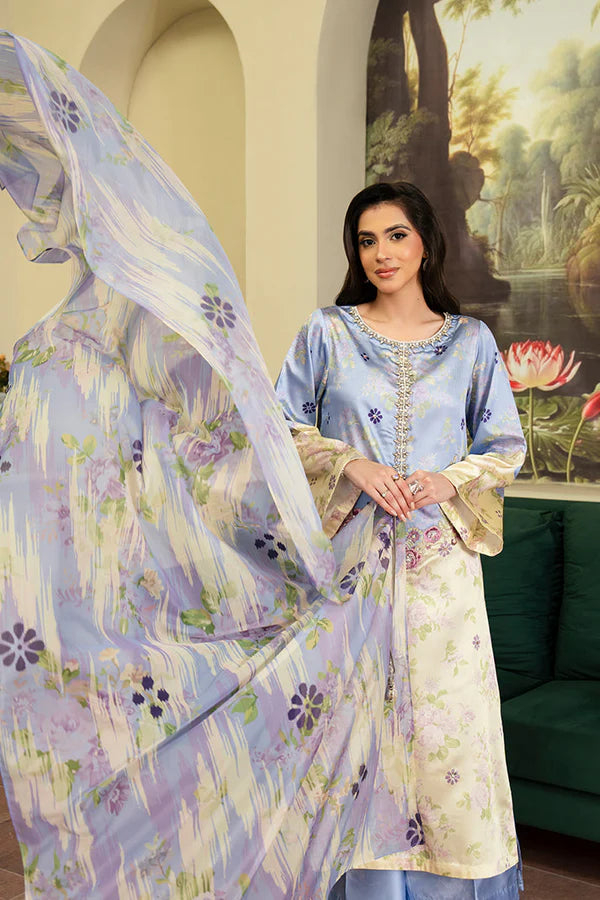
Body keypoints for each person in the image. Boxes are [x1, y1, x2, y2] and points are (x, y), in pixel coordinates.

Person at [275, 181, 527, 899]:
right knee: (355, 728)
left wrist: (448, 480)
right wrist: (350, 464)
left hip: (442, 573)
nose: (381, 253)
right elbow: (278, 425)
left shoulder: (470, 342)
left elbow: (505, 445)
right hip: (349, 566)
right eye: (366, 240)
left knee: (448, 731)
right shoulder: (327, 333)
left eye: (395, 235)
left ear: (424, 242)